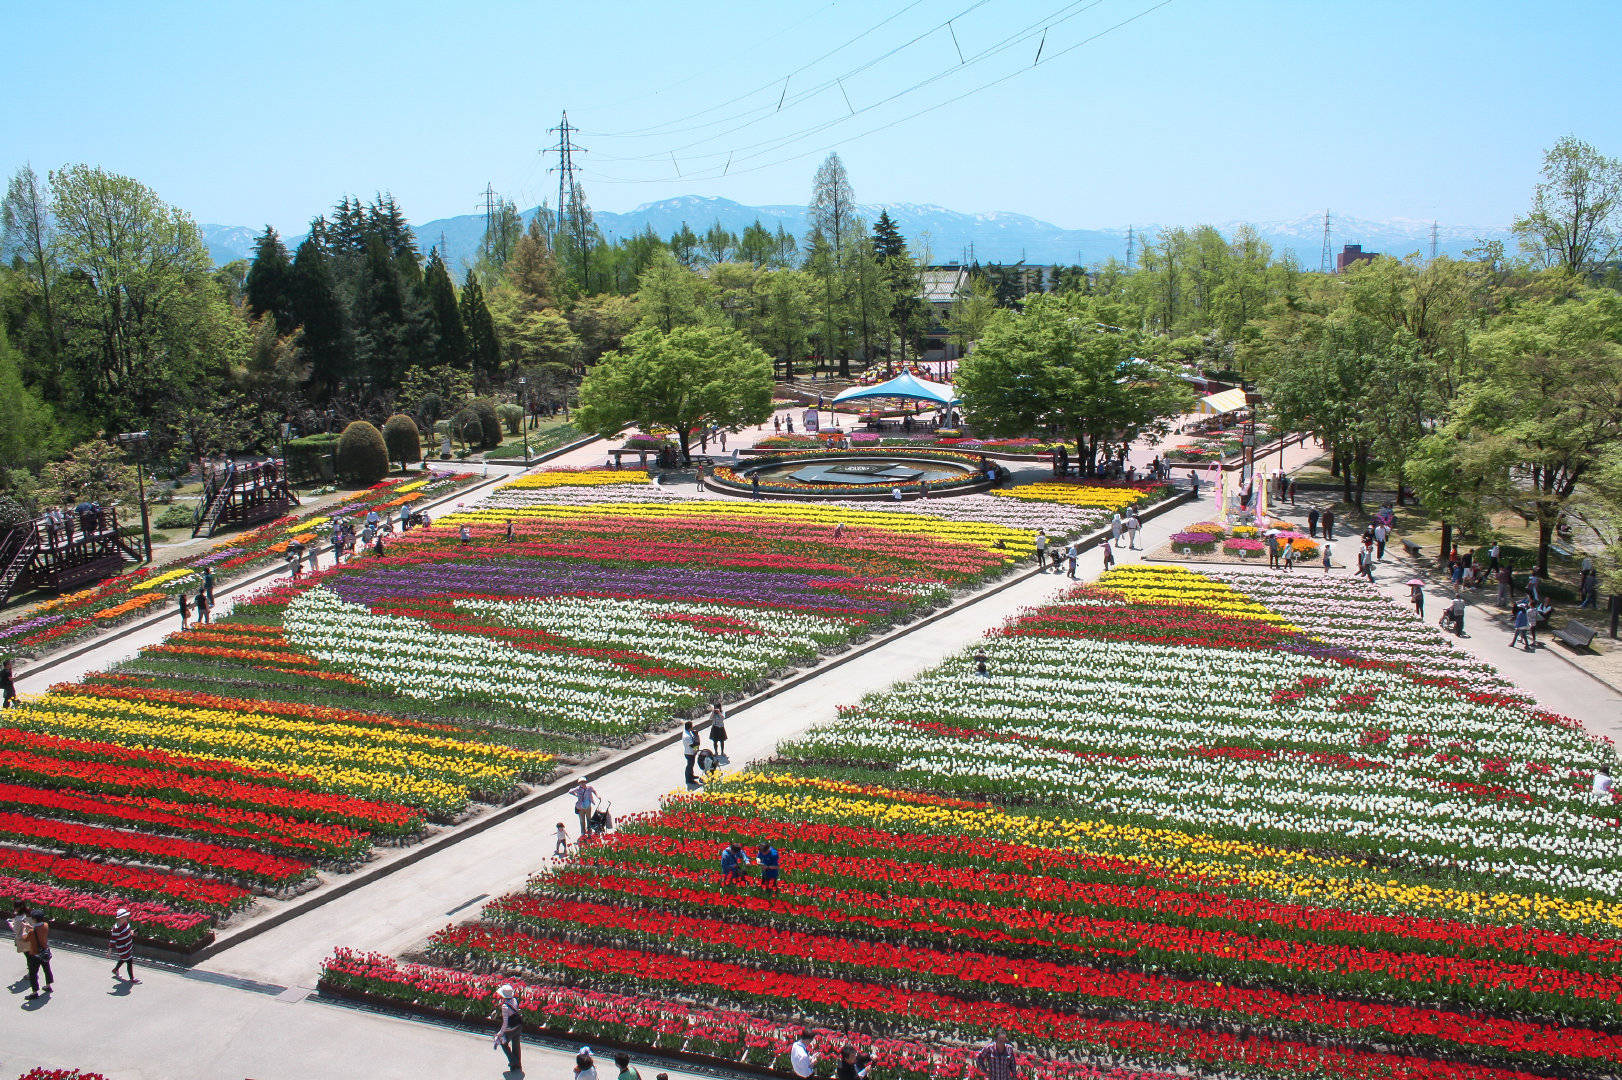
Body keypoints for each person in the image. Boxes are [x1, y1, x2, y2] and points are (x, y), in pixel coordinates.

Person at [20, 906, 52, 999]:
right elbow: (38, 930)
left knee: (33, 973)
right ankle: (48, 985)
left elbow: (24, 939)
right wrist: (30, 927)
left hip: (35, 954)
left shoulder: (31, 931)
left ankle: (34, 992)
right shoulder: (45, 925)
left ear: (34, 919)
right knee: (47, 969)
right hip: (45, 952)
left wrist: (24, 929)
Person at [490, 983, 523, 1073]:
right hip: (518, 1025)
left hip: (511, 1028)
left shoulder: (505, 1006)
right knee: (516, 1045)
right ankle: (517, 1065)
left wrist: (500, 1033)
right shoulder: (515, 1000)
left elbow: (505, 1023)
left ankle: (513, 1062)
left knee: (503, 1043)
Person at [109, 907, 139, 984]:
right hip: (122, 948)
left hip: (128, 946)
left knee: (123, 959)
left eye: (126, 916)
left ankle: (115, 970)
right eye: (124, 917)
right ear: (119, 918)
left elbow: (128, 931)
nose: (126, 918)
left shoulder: (126, 923)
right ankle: (132, 978)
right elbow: (112, 940)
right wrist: (109, 951)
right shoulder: (116, 929)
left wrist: (132, 932)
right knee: (129, 961)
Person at [682, 721, 700, 786]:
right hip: (689, 753)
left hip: (690, 752)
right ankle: (689, 780)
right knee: (689, 766)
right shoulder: (687, 736)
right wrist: (696, 750)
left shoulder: (687, 732)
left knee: (691, 765)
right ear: (690, 727)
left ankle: (691, 776)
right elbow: (692, 745)